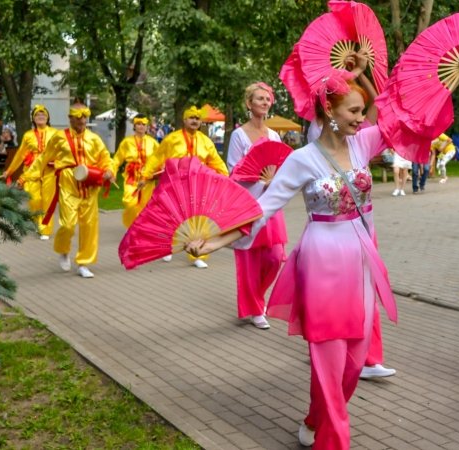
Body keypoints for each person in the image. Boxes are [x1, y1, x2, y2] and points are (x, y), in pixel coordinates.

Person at [187, 56, 402, 448]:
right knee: (328, 359)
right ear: (329, 112)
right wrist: (215, 240)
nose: (360, 117)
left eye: (360, 110)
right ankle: (334, 440)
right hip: (321, 264)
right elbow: (261, 209)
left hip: (360, 263)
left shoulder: (364, 143)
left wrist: (363, 74)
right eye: (352, 111)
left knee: (353, 365)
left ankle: (314, 418)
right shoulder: (300, 160)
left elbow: (388, 112)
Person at [21, 101, 115, 279]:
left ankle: (83, 263)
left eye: (85, 117)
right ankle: (63, 250)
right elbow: (43, 158)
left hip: (90, 184)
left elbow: (105, 158)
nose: (82, 120)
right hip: (68, 183)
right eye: (78, 117)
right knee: (67, 224)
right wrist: (26, 176)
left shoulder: (94, 138)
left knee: (89, 226)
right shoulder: (59, 137)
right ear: (70, 118)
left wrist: (110, 170)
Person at [226, 82, 288, 330]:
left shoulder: (274, 135)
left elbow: (283, 166)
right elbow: (234, 170)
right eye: (259, 99)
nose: (264, 102)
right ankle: (254, 308)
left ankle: (258, 297)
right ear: (249, 104)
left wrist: (275, 180)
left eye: (267, 98)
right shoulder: (238, 135)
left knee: (275, 257)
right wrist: (259, 180)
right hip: (249, 203)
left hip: (272, 204)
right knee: (249, 259)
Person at [141, 106, 229, 269]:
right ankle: (167, 246)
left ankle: (198, 254)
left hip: (198, 186)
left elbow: (215, 160)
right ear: (184, 120)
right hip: (175, 185)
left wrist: (225, 176)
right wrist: (146, 174)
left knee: (198, 222)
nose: (195, 121)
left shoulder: (205, 141)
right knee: (171, 217)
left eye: (197, 118)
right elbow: (156, 157)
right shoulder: (172, 139)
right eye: (191, 118)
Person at [4, 105, 58, 239]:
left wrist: (60, 162)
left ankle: (45, 229)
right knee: (34, 200)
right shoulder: (28, 135)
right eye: (37, 115)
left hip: (49, 170)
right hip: (31, 171)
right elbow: (20, 155)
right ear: (33, 119)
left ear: (47, 117)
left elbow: (62, 151)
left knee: (47, 200)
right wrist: (10, 170)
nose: (40, 117)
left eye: (43, 114)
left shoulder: (55, 133)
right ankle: (38, 222)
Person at [113, 114, 159, 229]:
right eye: (139, 124)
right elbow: (117, 159)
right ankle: (132, 224)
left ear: (147, 126)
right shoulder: (126, 142)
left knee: (146, 205)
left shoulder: (153, 142)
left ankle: (140, 229)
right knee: (130, 203)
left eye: (144, 124)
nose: (141, 126)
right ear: (134, 126)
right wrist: (112, 171)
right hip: (131, 177)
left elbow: (160, 158)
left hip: (147, 179)